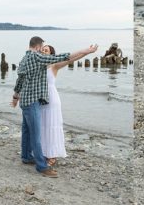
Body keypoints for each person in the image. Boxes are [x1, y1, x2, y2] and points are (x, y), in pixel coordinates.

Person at [11, 37, 97, 177]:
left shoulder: (24, 59)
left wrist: (15, 97)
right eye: (43, 47)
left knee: (27, 131)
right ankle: (42, 167)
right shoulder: (37, 57)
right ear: (38, 47)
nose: (43, 49)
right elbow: (65, 56)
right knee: (36, 134)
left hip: (26, 101)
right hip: (33, 101)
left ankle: (26, 157)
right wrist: (86, 50)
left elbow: (20, 80)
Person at [39, 44, 77, 166]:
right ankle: (44, 152)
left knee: (52, 126)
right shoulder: (38, 65)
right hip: (40, 100)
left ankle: (53, 155)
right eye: (43, 49)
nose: (44, 51)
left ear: (51, 54)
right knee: (42, 127)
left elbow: (70, 58)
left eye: (47, 50)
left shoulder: (54, 65)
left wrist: (86, 52)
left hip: (52, 100)